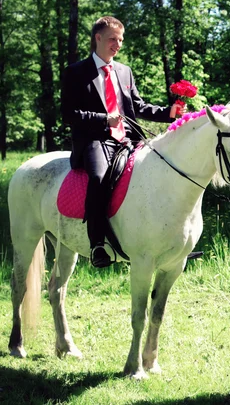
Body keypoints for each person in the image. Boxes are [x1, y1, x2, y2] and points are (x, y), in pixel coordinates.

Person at [61, 16, 184, 268]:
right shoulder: (75, 72)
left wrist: (168, 112)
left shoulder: (124, 71)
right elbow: (69, 115)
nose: (117, 45)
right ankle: (97, 244)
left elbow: (137, 106)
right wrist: (104, 119)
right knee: (99, 178)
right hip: (96, 140)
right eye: (112, 39)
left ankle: (162, 242)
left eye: (120, 40)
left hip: (128, 139)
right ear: (98, 38)